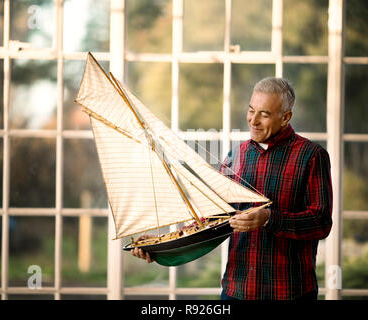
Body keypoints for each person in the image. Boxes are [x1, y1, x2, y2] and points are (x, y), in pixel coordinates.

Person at [131, 77, 333, 300]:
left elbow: (321, 223)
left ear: (285, 117)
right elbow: (211, 218)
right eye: (251, 110)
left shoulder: (312, 156)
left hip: (289, 292)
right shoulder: (236, 155)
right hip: (237, 291)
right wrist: (161, 245)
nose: (253, 120)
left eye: (264, 114)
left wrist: (269, 218)